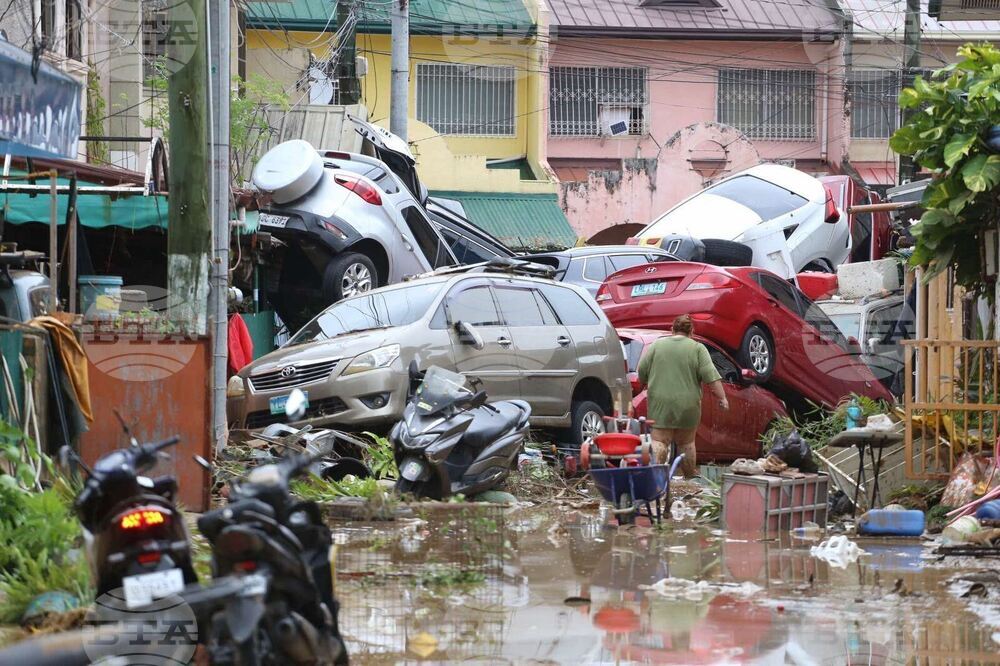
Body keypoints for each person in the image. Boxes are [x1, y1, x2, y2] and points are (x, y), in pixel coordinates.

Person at [637, 314, 728, 477]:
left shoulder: (657, 345)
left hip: (660, 403)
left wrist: (644, 382)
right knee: (686, 443)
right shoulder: (697, 348)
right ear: (691, 331)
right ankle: (689, 478)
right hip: (688, 404)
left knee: (659, 441)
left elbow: (641, 371)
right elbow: (711, 375)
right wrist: (722, 398)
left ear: (672, 329)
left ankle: (654, 477)